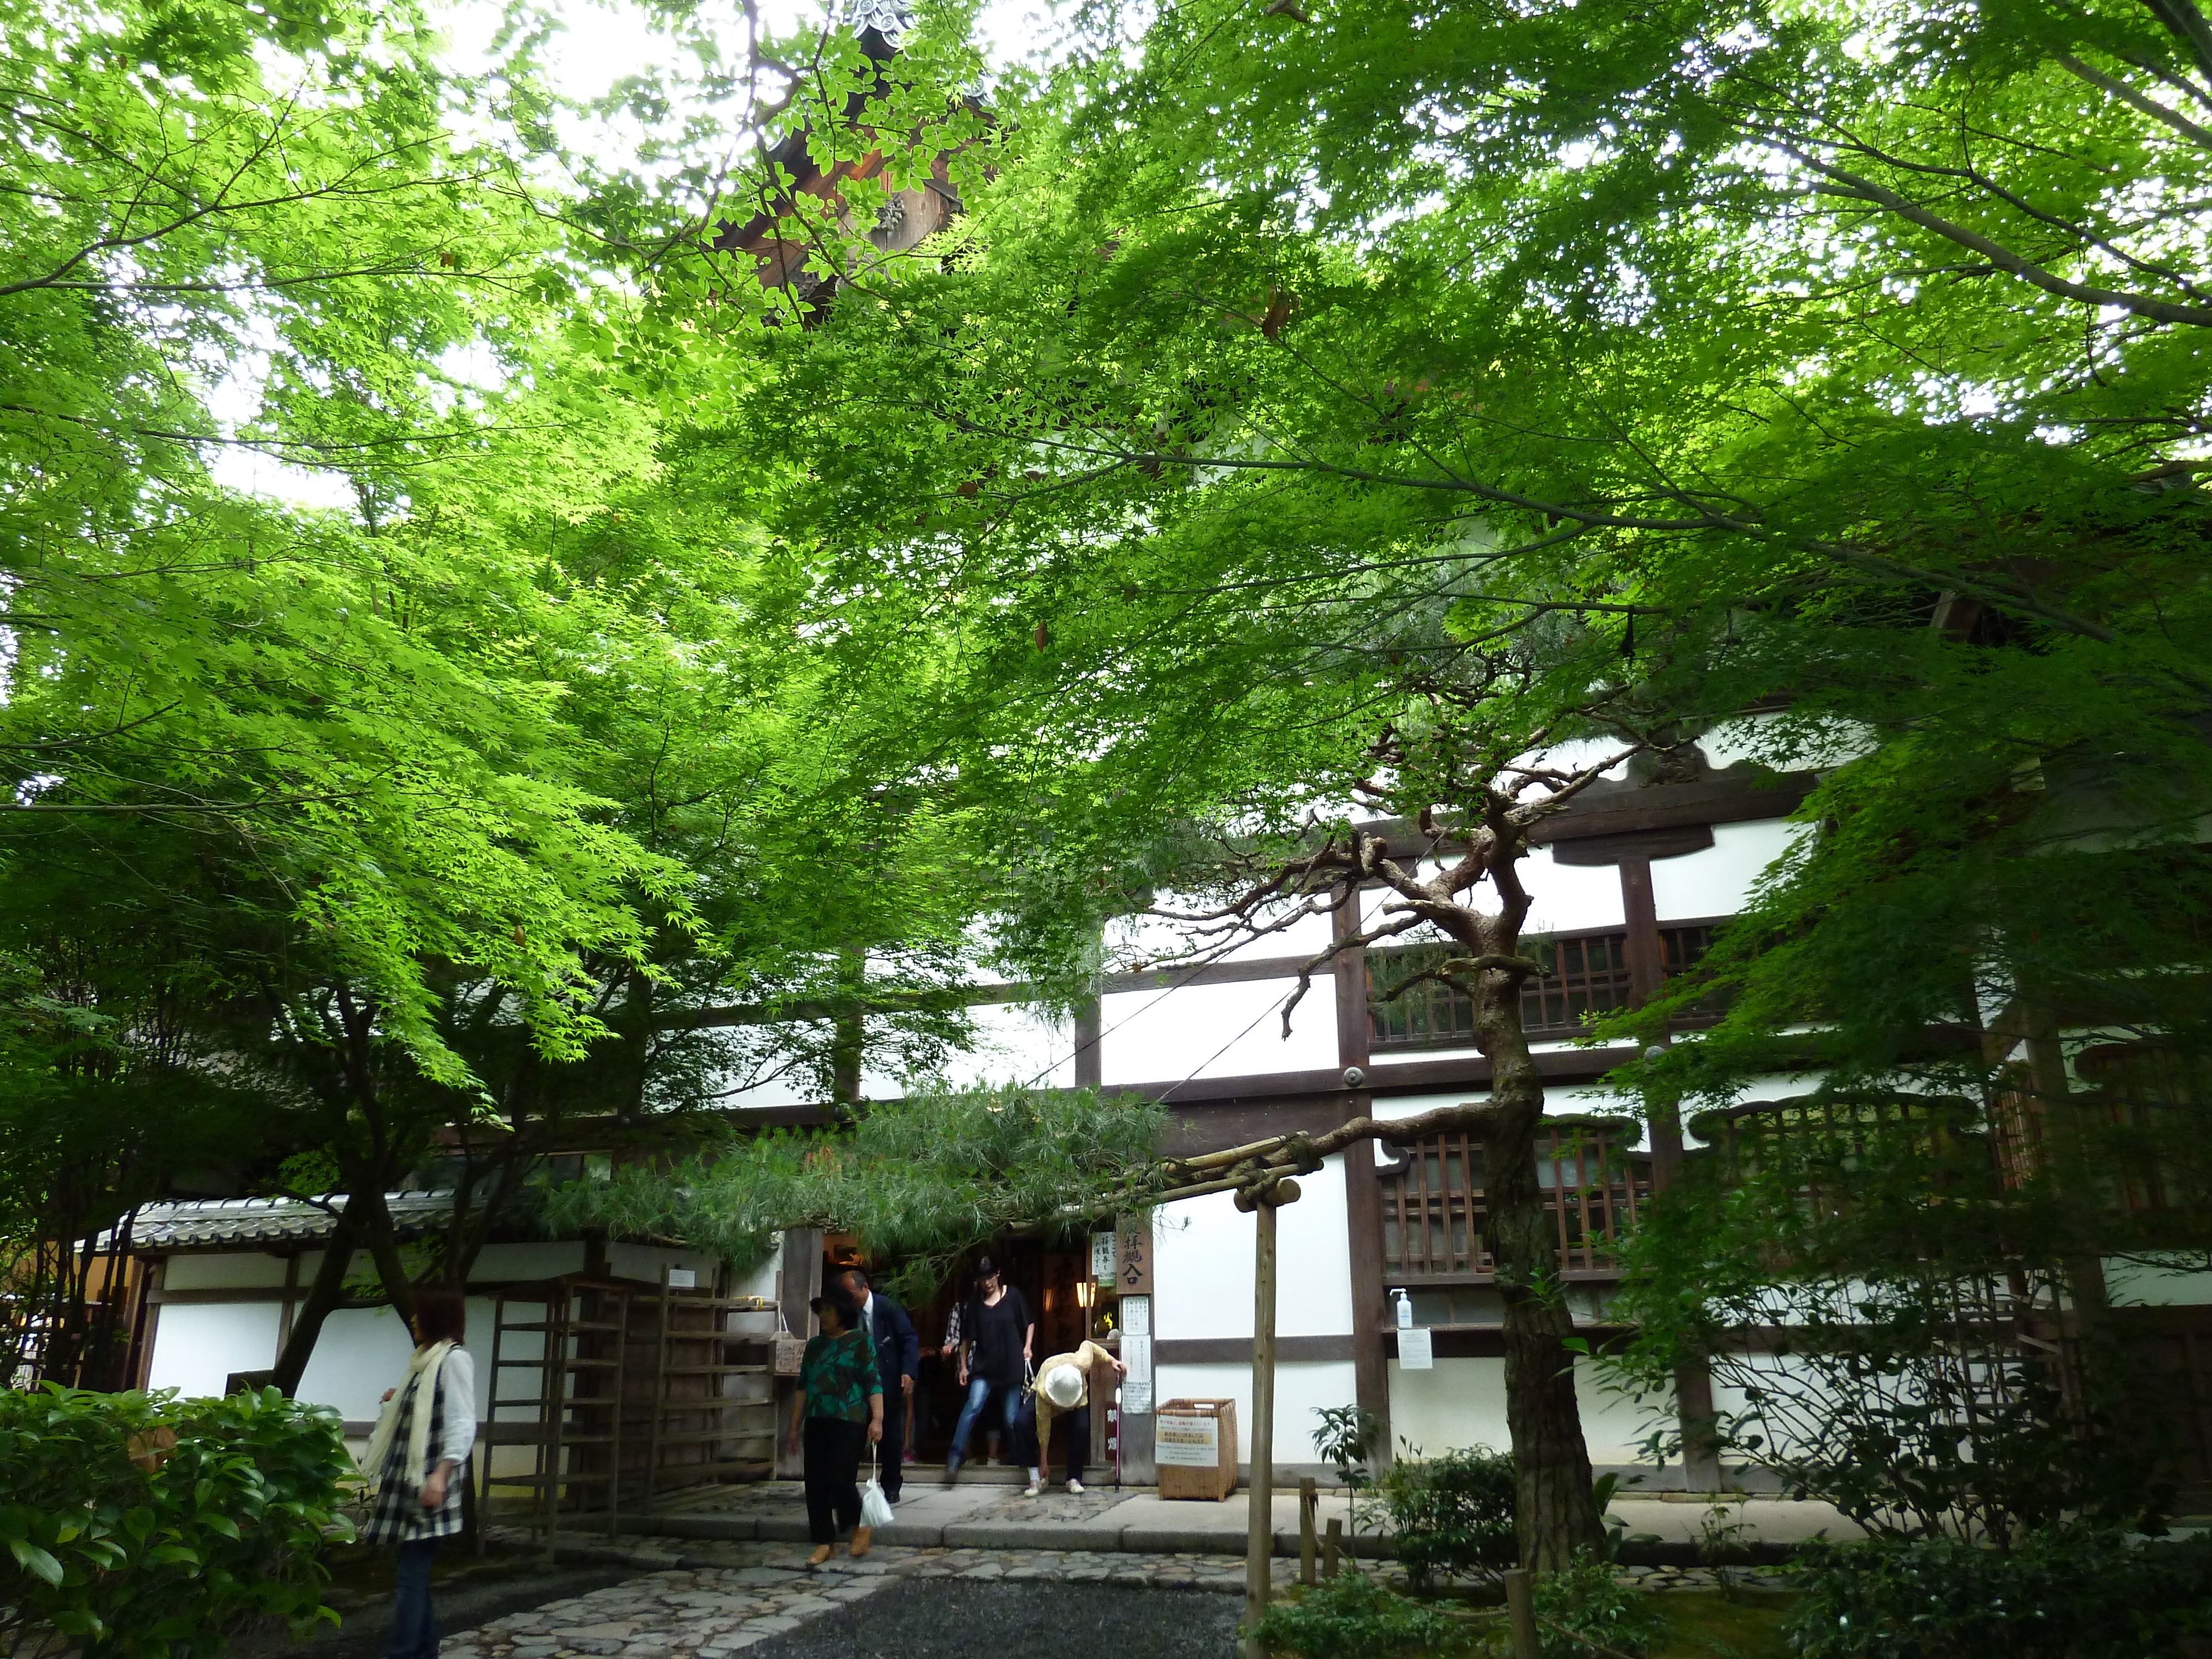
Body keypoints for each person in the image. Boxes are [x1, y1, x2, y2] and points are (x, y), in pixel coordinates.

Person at [361, 1287, 476, 1659]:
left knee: (412, 1570)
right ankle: (424, 1648)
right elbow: (426, 1408)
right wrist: (400, 1398)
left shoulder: (454, 1360)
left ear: (436, 1318)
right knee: (414, 1568)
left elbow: (461, 1420)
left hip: (428, 1479)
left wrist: (442, 1475)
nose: (412, 1320)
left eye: (419, 1314)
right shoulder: (423, 1363)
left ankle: (404, 1651)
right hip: (411, 1479)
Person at [786, 1285, 884, 1566]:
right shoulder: (815, 1346)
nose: (824, 1316)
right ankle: (824, 1541)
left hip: (850, 1420)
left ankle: (859, 1524)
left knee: (840, 1480)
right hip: (817, 1419)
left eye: (829, 1310)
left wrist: (877, 1418)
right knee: (815, 1483)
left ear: (842, 1313)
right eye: (821, 1311)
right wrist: (794, 1427)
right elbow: (803, 1388)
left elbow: (873, 1382)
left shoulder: (861, 1342)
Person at [943, 1256, 1032, 1484]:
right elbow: (966, 1339)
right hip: (984, 1367)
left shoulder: (1013, 1297)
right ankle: (954, 1457)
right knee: (973, 1406)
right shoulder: (975, 1305)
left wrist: (1027, 1347)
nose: (988, 1283)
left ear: (998, 1274)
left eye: (990, 1277)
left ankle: (1020, 1458)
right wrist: (964, 1367)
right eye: (983, 1279)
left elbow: (1029, 1322)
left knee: (1012, 1418)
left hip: (1011, 1365)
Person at [839, 1267, 918, 1501]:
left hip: (888, 1379)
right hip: (858, 1382)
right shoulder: (848, 1313)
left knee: (891, 1434)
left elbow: (909, 1339)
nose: (849, 1300)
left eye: (852, 1294)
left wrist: (908, 1372)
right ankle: (846, 1486)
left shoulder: (888, 1308)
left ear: (865, 1288)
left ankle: (892, 1485)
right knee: (853, 1433)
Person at [1027, 1339, 1126, 1497]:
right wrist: (1044, 1461)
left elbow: (1089, 1345)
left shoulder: (1082, 1363)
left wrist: (1111, 1360)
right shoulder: (1043, 1390)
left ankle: (1073, 1478)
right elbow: (1043, 1425)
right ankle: (1035, 1474)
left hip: (1078, 1400)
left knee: (1082, 1427)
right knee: (1023, 1422)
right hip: (1049, 1399)